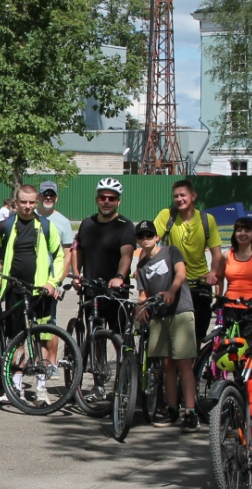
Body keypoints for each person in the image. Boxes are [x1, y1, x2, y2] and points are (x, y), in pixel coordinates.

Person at [0, 185, 65, 401]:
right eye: (23, 202)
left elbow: (59, 256)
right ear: (16, 201)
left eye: (32, 202)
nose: (28, 206)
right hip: (14, 289)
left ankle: (41, 387)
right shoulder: (4, 226)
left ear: (37, 202)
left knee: (42, 338)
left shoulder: (45, 226)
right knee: (17, 339)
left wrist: (52, 282)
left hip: (40, 290)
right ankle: (15, 386)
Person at [134, 220, 198, 431]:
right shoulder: (141, 266)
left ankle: (190, 412)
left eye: (149, 235)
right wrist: (140, 307)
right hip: (159, 317)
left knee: (183, 363)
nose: (146, 239)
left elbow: (181, 272)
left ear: (156, 237)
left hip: (179, 312)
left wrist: (171, 291)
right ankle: (171, 410)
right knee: (167, 365)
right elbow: (143, 293)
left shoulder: (171, 252)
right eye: (142, 236)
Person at [152, 179, 222, 348]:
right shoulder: (167, 215)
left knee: (197, 333)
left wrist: (213, 273)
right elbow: (150, 242)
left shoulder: (207, 220)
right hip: (173, 283)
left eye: (183, 195)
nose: (179, 199)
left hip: (199, 283)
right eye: (176, 196)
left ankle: (193, 370)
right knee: (172, 332)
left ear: (193, 196)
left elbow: (217, 254)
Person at [72, 177, 135, 330]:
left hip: (116, 292)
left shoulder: (125, 226)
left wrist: (119, 277)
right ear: (96, 200)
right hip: (91, 291)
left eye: (111, 198)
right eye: (102, 197)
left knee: (118, 336)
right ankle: (95, 354)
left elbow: (127, 255)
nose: (106, 201)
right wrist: (76, 275)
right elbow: (77, 249)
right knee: (95, 338)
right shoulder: (87, 223)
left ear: (118, 201)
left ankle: (124, 355)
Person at [214, 217, 252, 305]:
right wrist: (219, 298)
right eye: (239, 230)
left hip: (251, 309)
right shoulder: (226, 256)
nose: (242, 233)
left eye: (247, 231)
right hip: (229, 307)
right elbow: (219, 278)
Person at [37, 181, 75, 281]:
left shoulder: (64, 222)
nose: (48, 197)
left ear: (56, 198)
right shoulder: (30, 216)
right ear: (39, 197)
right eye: (45, 194)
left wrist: (57, 282)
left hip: (50, 277)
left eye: (52, 194)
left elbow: (67, 256)